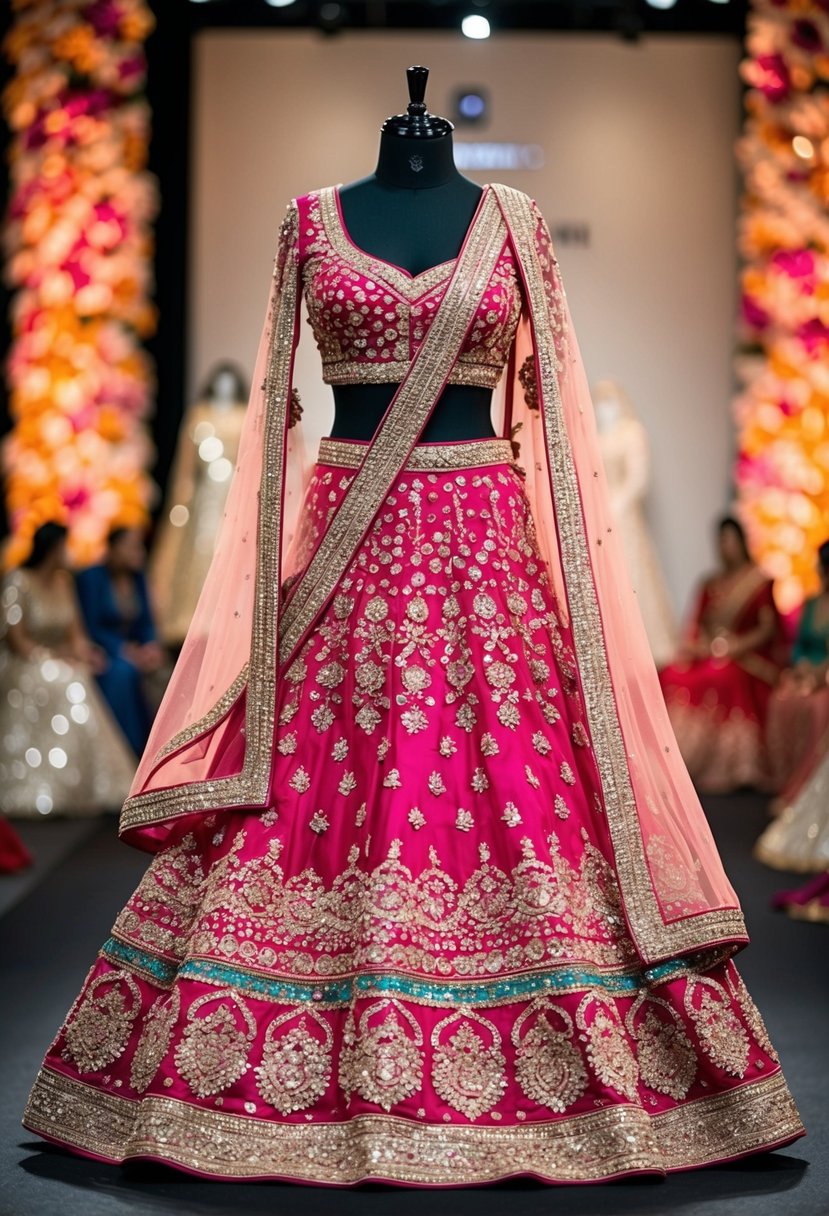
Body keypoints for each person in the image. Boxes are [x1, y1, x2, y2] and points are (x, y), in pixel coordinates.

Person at [23, 70, 802, 1184]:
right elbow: (278, 420)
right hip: (346, 534)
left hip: (486, 545)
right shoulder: (307, 221)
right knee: (318, 776)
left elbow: (548, 409)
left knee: (517, 780)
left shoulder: (517, 225)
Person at [0, 522, 136, 818]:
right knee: (66, 679)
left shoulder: (64, 583)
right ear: (52, 548)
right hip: (26, 664)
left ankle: (83, 782)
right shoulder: (18, 581)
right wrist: (53, 657)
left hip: (60, 662)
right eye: (64, 546)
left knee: (80, 675)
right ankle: (52, 783)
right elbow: (18, 641)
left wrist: (87, 653)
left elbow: (75, 634)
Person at [659, 516, 784, 793]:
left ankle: (727, 764)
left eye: (729, 540)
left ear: (741, 542)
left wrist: (737, 646)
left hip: (746, 659)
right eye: (721, 541)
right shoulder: (710, 583)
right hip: (710, 654)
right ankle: (678, 760)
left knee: (721, 674)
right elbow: (696, 627)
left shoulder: (758, 582)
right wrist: (698, 645)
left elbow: (768, 629)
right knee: (671, 673)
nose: (725, 547)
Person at [149, 363, 249, 647]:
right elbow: (185, 469)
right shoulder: (198, 416)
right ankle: (194, 619)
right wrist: (180, 507)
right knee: (202, 551)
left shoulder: (245, 416)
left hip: (234, 494)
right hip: (204, 500)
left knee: (231, 548)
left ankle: (231, 617)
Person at [593, 378, 677, 666]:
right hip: (600, 516)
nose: (603, 405)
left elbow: (639, 479)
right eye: (599, 398)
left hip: (624, 516)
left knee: (633, 575)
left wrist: (618, 503)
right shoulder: (597, 436)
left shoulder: (632, 432)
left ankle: (646, 650)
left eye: (608, 398)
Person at [76, 526, 165, 755]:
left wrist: (150, 646)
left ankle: (161, 746)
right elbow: (90, 625)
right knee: (123, 673)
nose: (139, 553)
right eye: (132, 547)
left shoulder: (138, 578)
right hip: (104, 651)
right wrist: (122, 648)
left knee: (165, 672)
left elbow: (146, 622)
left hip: (134, 650)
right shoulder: (92, 578)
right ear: (114, 549)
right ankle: (127, 748)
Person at [764, 539, 829, 801]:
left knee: (815, 708)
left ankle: (808, 789)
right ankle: (787, 782)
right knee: (781, 700)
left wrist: (820, 674)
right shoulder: (812, 602)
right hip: (807, 671)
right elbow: (799, 643)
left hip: (824, 677)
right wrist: (801, 665)